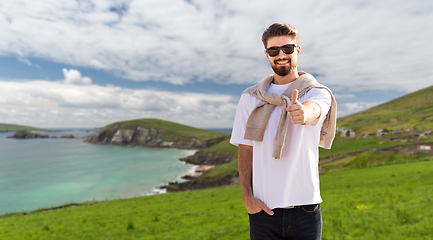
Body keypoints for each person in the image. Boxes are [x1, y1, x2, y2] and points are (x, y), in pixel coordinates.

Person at [229, 23, 337, 240]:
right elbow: (245, 148)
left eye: (287, 49)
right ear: (267, 55)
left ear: (297, 50)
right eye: (273, 50)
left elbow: (314, 109)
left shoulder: (317, 92)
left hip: (305, 208)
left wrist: (303, 112)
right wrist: (247, 198)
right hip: (262, 210)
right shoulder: (250, 98)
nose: (281, 55)